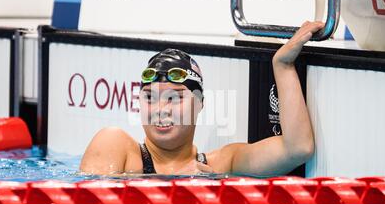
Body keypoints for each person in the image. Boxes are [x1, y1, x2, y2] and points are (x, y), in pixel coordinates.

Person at [80, 21, 324, 175]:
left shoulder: (223, 164)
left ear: (199, 103)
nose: (160, 109)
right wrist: (174, 182)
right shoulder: (115, 144)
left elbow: (298, 148)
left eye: (174, 98)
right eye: (149, 98)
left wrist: (282, 65)